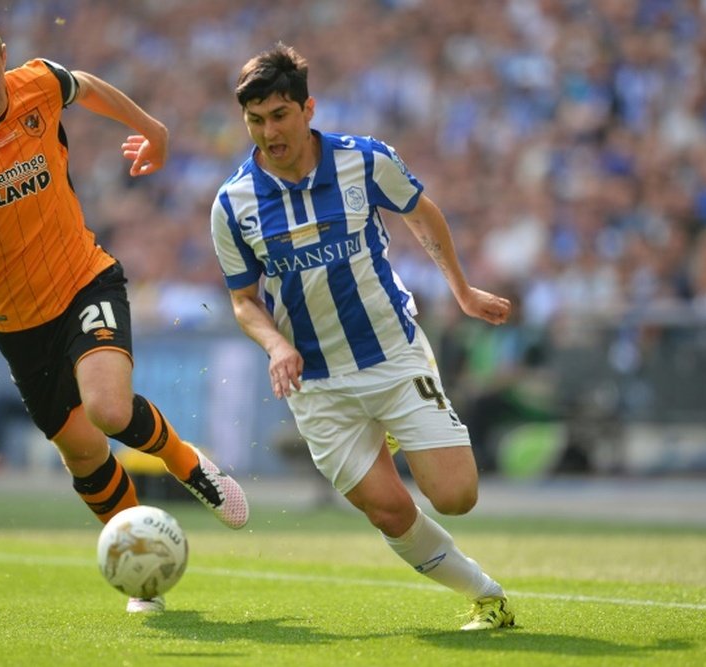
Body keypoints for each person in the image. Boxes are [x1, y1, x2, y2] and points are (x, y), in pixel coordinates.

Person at [0, 11, 248, 614]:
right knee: (84, 455)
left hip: (85, 278)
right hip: (18, 321)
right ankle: (145, 573)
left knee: (109, 410)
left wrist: (151, 127)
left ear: (4, 55)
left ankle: (188, 464)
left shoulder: (36, 82)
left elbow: (82, 83)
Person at [210, 43, 515, 631]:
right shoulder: (232, 204)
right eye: (255, 119)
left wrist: (462, 289)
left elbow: (421, 212)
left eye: (279, 115)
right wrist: (277, 345)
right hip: (318, 385)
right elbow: (244, 302)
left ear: (307, 109)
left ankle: (397, 430)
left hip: (392, 355)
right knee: (388, 509)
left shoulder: (364, 160)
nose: (268, 131)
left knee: (456, 496)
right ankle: (486, 597)